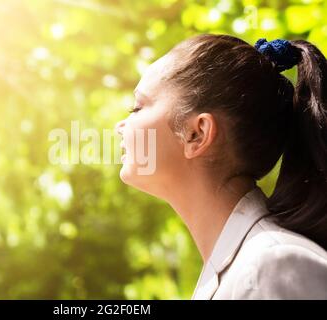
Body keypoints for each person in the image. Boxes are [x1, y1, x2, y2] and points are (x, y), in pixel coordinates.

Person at [115, 34, 327, 299]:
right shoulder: (244, 270)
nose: (120, 126)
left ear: (197, 134)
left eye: (137, 107)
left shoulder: (270, 269)